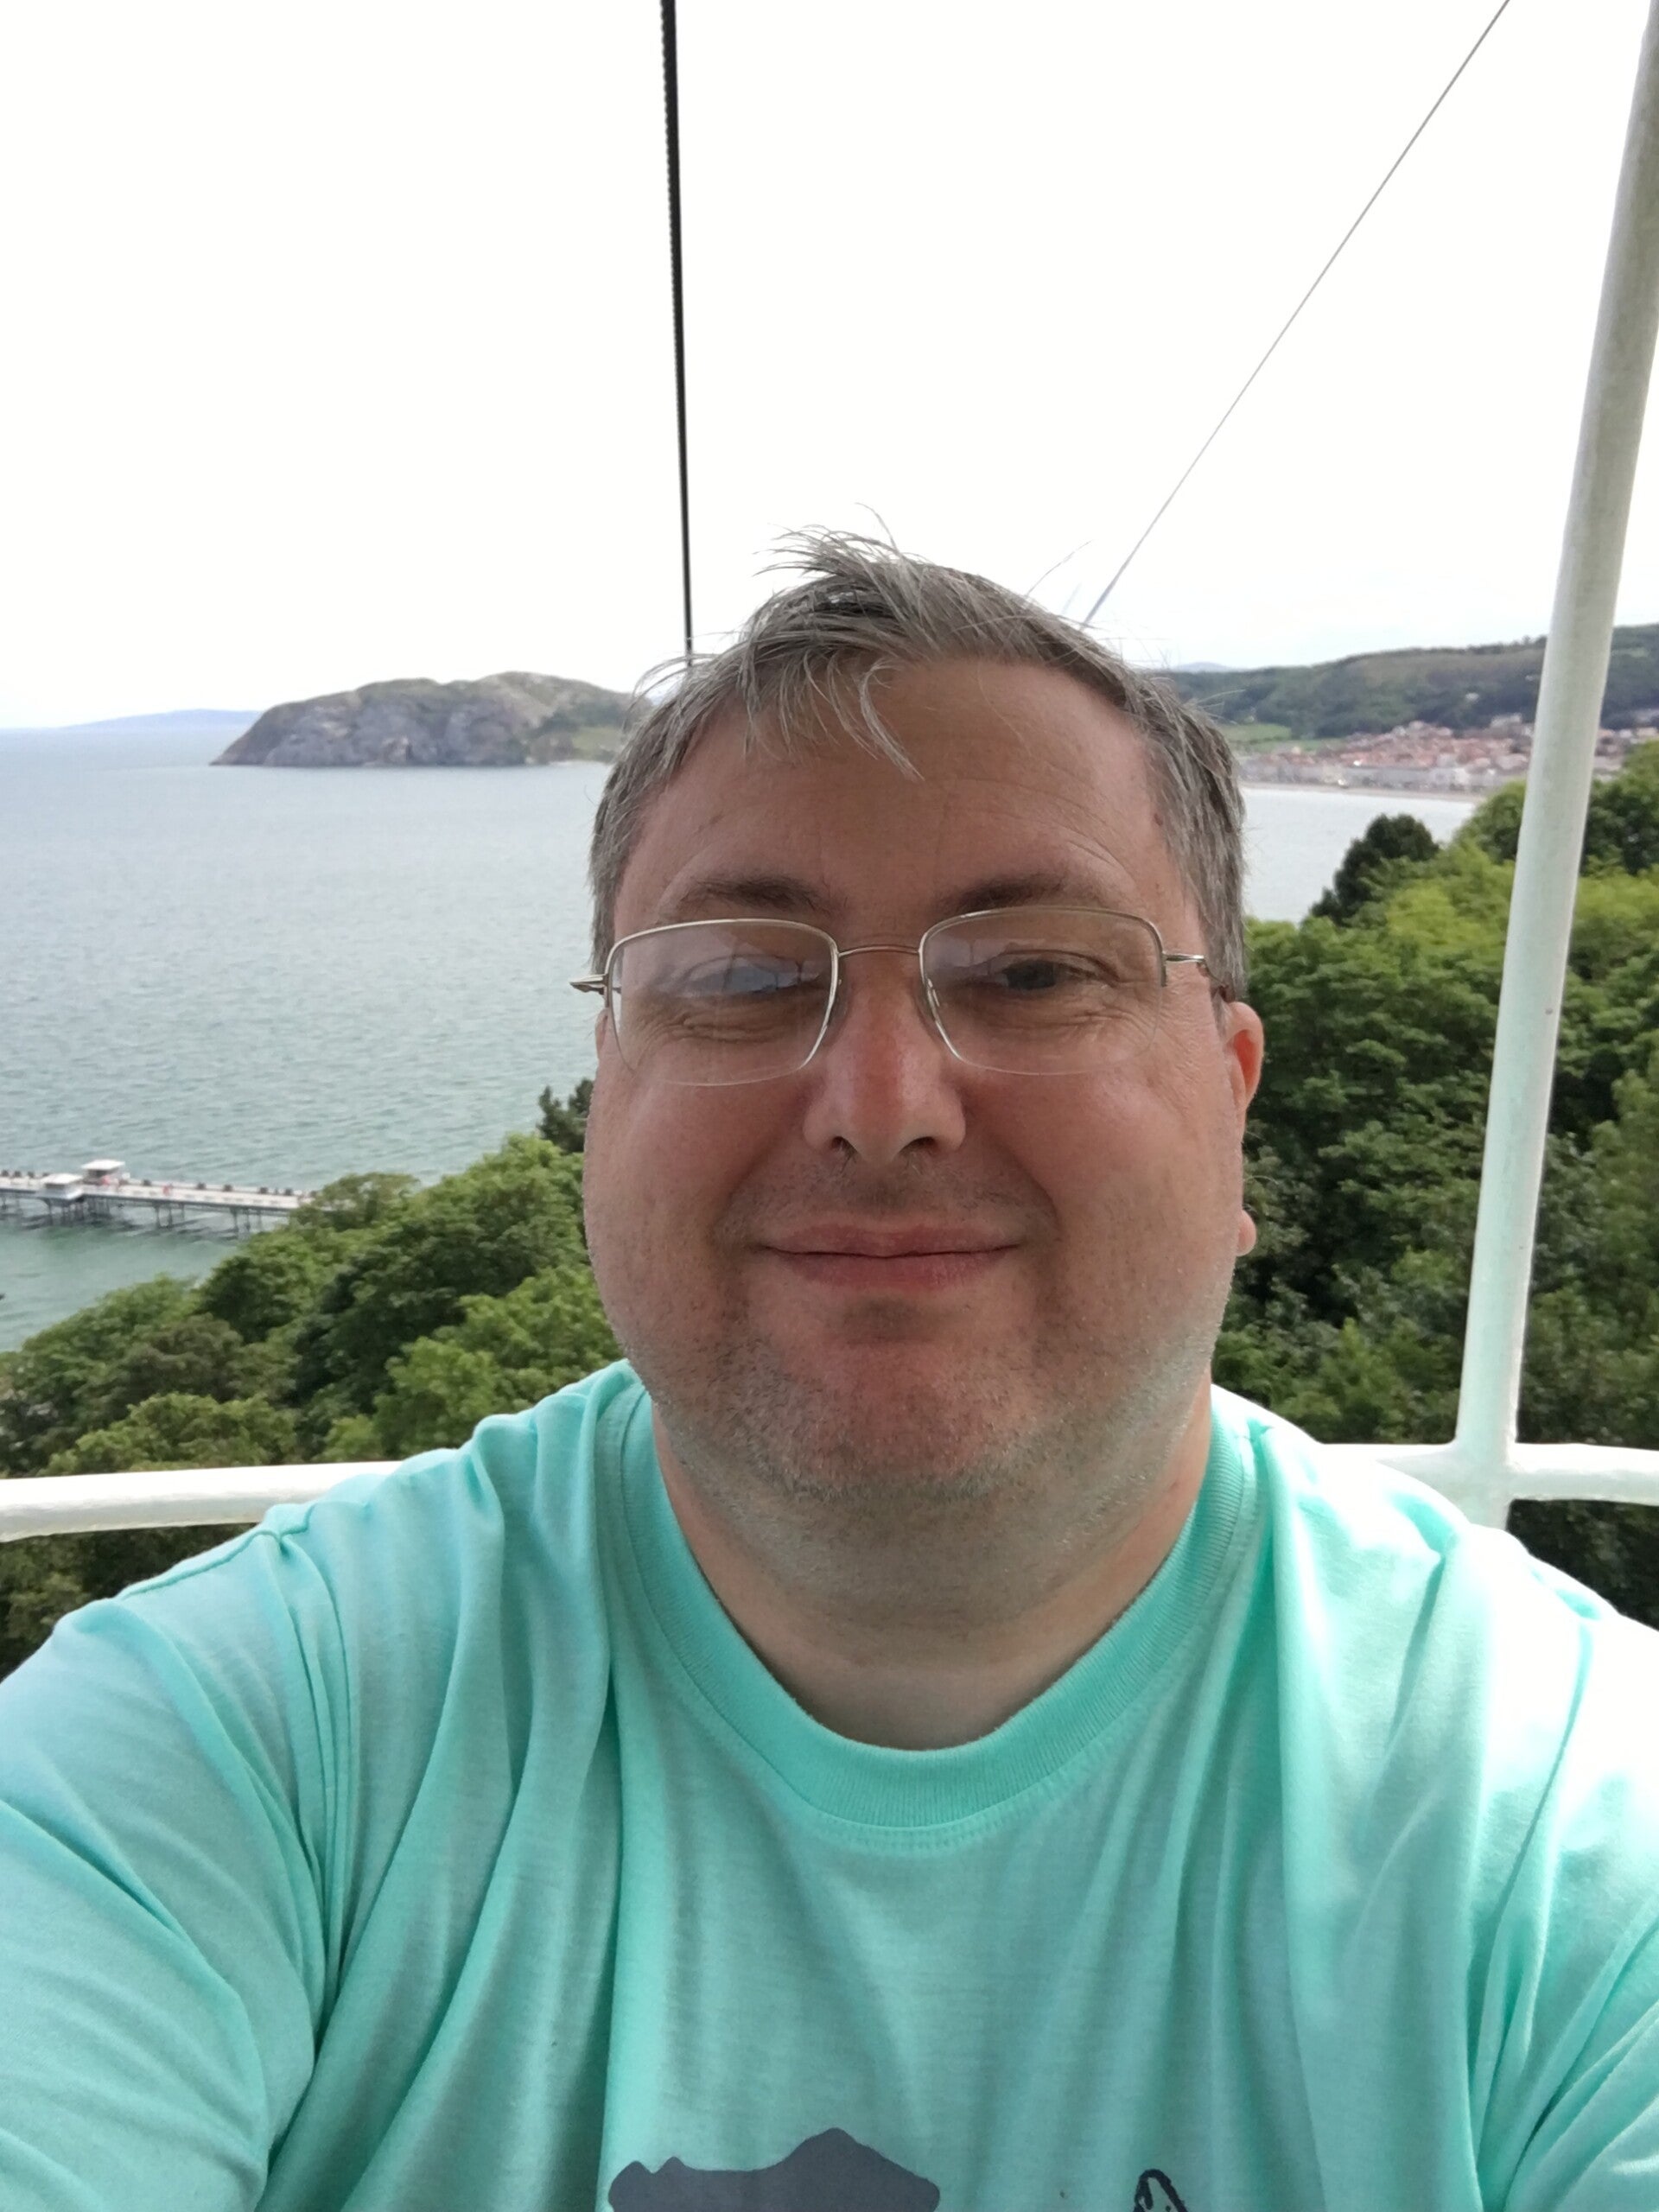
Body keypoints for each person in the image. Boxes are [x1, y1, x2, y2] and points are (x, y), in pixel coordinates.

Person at [2, 536, 1656, 2212]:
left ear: (1231, 1095)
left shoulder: (1564, 1819)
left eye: (1033, 971)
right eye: (738, 976)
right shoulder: (206, 1754)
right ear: (606, 1089)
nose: (882, 1103)